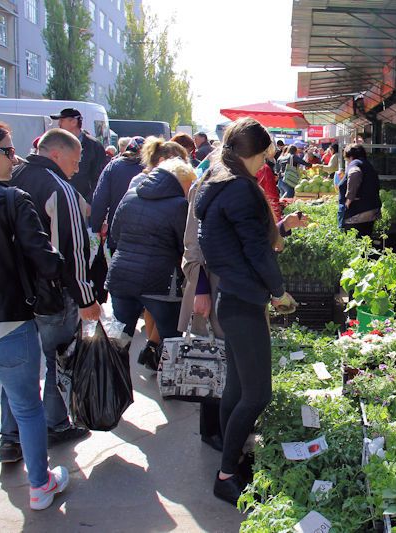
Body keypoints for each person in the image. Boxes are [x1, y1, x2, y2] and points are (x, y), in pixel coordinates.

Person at [195, 117, 297, 505]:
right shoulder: (240, 189)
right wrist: (278, 291)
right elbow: (257, 250)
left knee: (237, 390)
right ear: (251, 153)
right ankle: (225, 475)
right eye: (264, 157)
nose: (265, 165)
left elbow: (242, 245)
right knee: (257, 395)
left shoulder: (217, 182)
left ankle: (232, 458)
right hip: (244, 300)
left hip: (232, 297)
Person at [180, 151, 307, 452]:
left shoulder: (240, 186)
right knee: (215, 364)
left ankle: (229, 442)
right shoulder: (209, 186)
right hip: (217, 287)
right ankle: (216, 436)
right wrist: (199, 288)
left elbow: (251, 242)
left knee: (234, 374)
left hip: (239, 289)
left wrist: (283, 227)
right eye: (261, 156)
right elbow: (192, 246)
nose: (264, 163)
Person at [0, 120, 71, 510]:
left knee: (21, 403)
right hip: (7, 321)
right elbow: (47, 261)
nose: (13, 156)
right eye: (5, 150)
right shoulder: (12, 199)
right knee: (27, 406)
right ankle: (39, 485)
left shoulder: (13, 195)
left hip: (5, 320)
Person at [6, 128, 101, 460]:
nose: (77, 169)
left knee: (17, 371)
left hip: (13, 295)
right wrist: (87, 298)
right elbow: (74, 252)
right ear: (56, 155)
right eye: (75, 162)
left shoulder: (11, 177)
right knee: (57, 361)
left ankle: (10, 436)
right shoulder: (61, 189)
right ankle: (55, 424)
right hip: (51, 295)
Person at [107, 157, 193, 370]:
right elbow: (185, 245)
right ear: (179, 182)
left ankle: (110, 385)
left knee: (119, 339)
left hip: (122, 278)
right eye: (189, 185)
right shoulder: (179, 205)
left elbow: (114, 235)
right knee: (171, 337)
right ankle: (169, 383)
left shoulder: (129, 197)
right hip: (161, 282)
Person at [90, 136, 146, 253]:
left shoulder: (113, 166)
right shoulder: (151, 170)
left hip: (117, 232)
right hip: (145, 235)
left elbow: (100, 199)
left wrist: (97, 226)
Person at [51, 108, 107, 204]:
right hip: (59, 201)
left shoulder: (94, 146)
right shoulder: (56, 144)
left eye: (62, 121)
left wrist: (89, 203)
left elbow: (100, 179)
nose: (59, 124)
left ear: (73, 122)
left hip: (83, 204)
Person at [339, 143, 381, 238]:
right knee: (365, 242)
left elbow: (354, 174)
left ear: (351, 156)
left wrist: (348, 201)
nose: (347, 162)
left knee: (354, 243)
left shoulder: (355, 163)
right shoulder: (367, 164)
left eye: (346, 159)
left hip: (358, 212)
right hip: (371, 208)